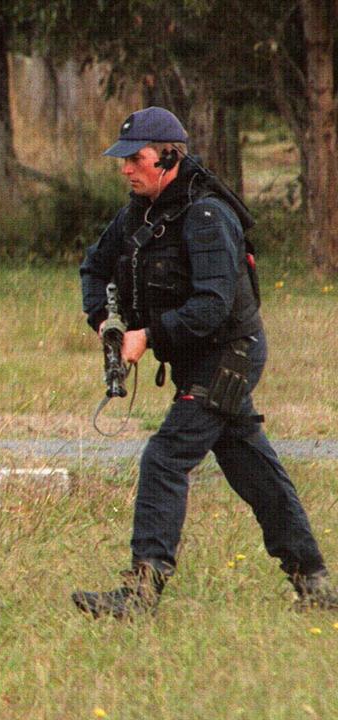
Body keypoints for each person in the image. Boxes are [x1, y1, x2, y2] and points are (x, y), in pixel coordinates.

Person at [74, 106, 338, 617]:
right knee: (252, 468)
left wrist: (147, 335)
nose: (127, 168)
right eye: (122, 160)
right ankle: (317, 587)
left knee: (165, 457)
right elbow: (95, 265)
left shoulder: (207, 215)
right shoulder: (139, 209)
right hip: (197, 358)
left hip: (228, 354)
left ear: (169, 158)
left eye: (137, 158)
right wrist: (104, 323)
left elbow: (213, 306)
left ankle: (141, 593)